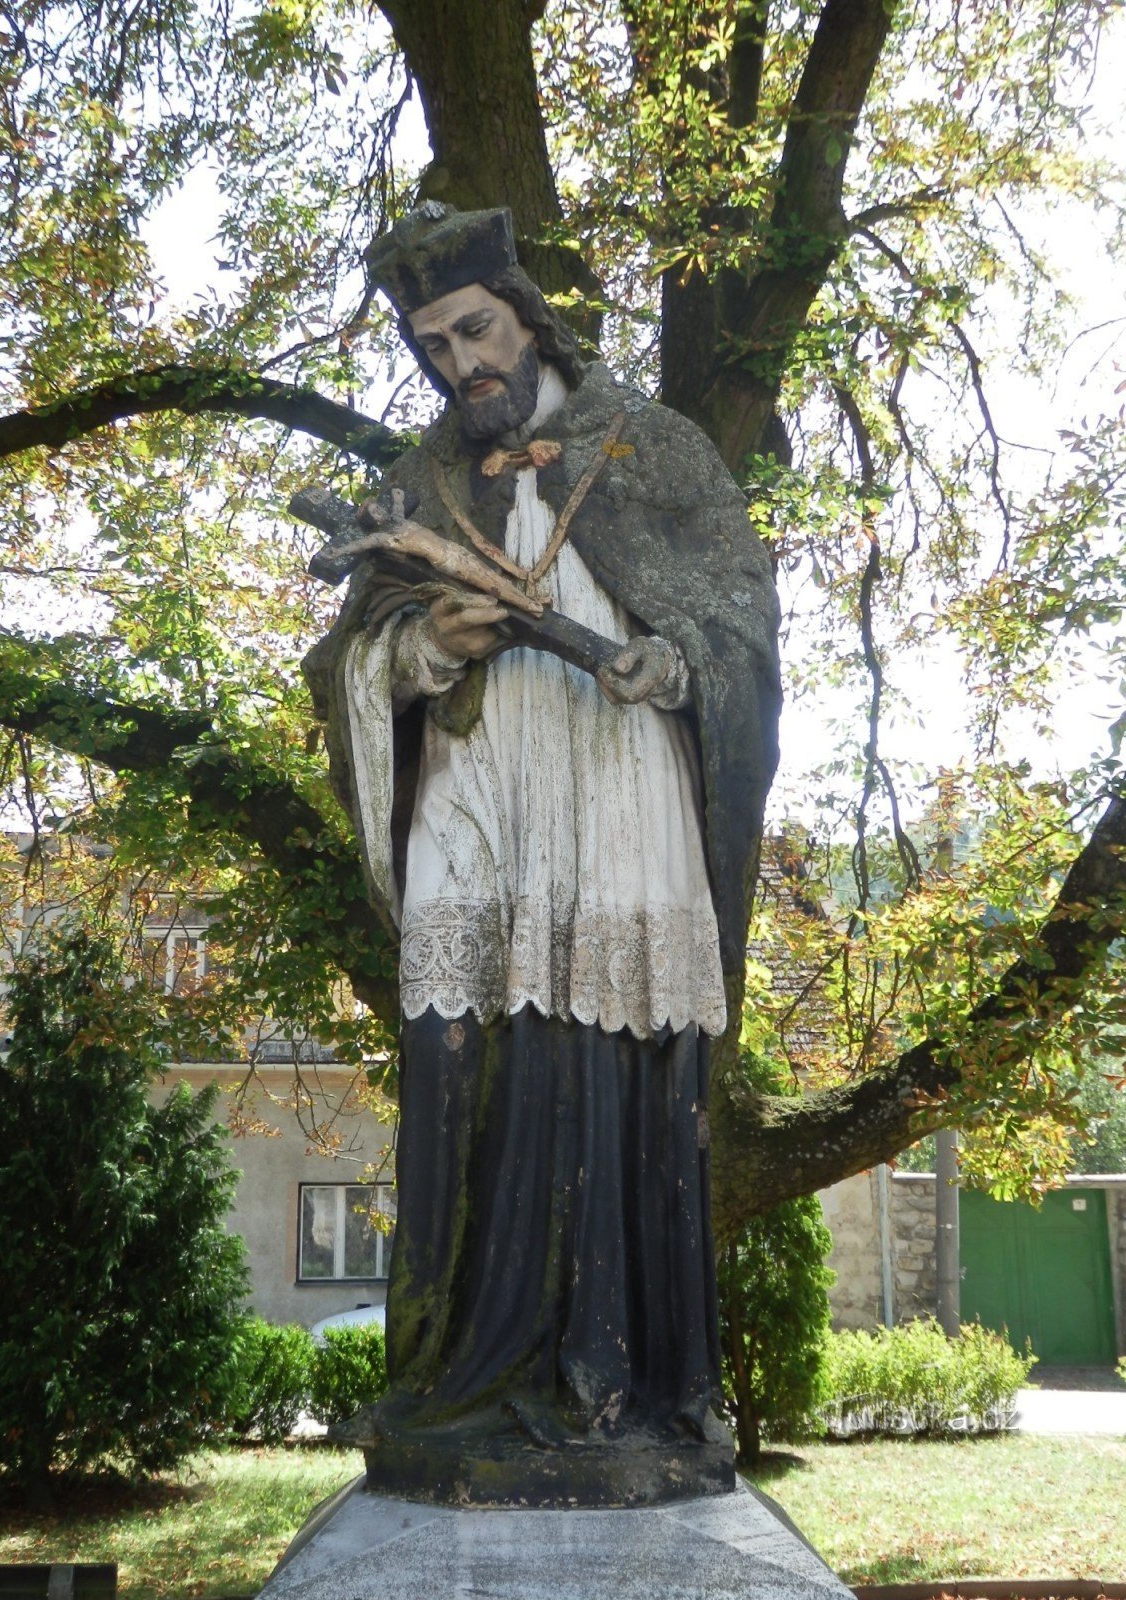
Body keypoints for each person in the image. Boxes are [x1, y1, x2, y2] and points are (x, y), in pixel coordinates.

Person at [303, 202, 781, 1506]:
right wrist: (417, 648)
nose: (461, 361)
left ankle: (635, 1385)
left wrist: (679, 663)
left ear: (524, 313)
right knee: (467, 1068)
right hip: (477, 803)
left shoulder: (653, 444)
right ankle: (463, 1376)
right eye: (433, 344)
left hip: (622, 797)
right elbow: (343, 659)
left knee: (623, 1069)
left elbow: (742, 622)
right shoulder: (418, 484)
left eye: (475, 328)